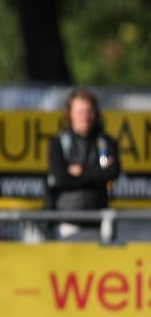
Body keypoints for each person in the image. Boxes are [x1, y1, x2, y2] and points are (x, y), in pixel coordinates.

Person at [46, 88, 120, 240]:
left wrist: (80, 172)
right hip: (67, 225)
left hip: (100, 224)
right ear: (70, 114)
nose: (85, 117)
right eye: (80, 112)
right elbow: (61, 179)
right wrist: (96, 173)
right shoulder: (59, 143)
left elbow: (110, 176)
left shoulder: (104, 143)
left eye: (89, 111)